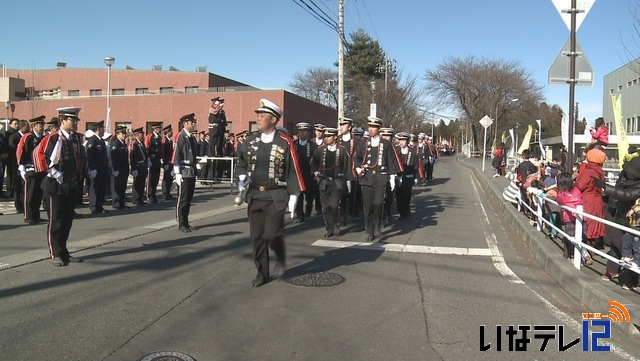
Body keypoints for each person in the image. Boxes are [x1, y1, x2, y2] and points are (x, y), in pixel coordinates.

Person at [236, 98, 305, 287]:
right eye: (257, 115)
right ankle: (262, 273)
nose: (258, 118)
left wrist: (294, 195)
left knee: (272, 235)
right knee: (257, 237)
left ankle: (280, 256)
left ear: (274, 119)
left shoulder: (285, 142)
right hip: (255, 195)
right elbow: (241, 163)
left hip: (276, 195)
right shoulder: (250, 141)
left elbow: (293, 169)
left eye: (262, 115)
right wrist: (241, 178)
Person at [39, 107, 84, 266]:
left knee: (67, 220)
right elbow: (41, 156)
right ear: (63, 120)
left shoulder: (73, 138)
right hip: (55, 185)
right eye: (73, 120)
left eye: (76, 120)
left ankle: (63, 250)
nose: (75, 123)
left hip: (69, 184)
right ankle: (55, 253)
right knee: (56, 220)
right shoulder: (54, 137)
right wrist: (53, 172)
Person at [354, 116, 403, 242]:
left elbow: (391, 161)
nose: (371, 129)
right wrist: (358, 168)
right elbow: (356, 158)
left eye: (374, 127)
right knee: (368, 205)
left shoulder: (386, 144)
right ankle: (370, 230)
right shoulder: (363, 143)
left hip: (381, 178)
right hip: (366, 177)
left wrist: (392, 176)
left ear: (379, 129)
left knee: (378, 204)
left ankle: (377, 225)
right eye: (370, 127)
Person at [312, 127, 351, 237]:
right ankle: (328, 228)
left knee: (334, 206)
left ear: (335, 137)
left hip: (336, 182)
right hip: (323, 181)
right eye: (326, 136)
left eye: (329, 136)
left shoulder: (342, 150)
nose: (326, 138)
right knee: (325, 207)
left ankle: (335, 224)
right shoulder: (320, 150)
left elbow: (347, 166)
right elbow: (313, 162)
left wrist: (348, 180)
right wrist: (315, 172)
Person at [575, 148, 607, 264]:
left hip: (588, 200)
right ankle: (592, 249)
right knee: (595, 225)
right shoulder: (600, 171)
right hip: (598, 200)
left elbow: (580, 185)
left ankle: (585, 251)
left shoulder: (589, 171)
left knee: (586, 224)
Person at [16, 116, 45, 224]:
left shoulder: (42, 138)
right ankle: (28, 216)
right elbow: (20, 151)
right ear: (34, 126)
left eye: (42, 125)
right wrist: (21, 167)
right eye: (40, 125)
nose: (42, 127)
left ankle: (36, 215)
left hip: (40, 169)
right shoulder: (28, 137)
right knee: (30, 194)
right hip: (30, 169)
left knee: (38, 194)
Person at [173, 113, 198, 233]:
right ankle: (181, 223)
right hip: (183, 171)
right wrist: (177, 173)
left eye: (193, 122)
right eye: (191, 122)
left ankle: (186, 222)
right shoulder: (181, 136)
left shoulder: (191, 137)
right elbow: (176, 155)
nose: (193, 124)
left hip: (191, 171)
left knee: (189, 199)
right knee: (182, 199)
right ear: (185, 123)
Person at [293, 122, 317, 223]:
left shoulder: (313, 146)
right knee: (298, 196)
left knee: (309, 195)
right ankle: (299, 214)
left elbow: (316, 159)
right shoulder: (294, 145)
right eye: (300, 131)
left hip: (309, 174)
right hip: (298, 174)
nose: (302, 133)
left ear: (308, 132)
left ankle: (308, 209)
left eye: (304, 131)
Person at [556, 172, 583, 260]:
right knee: (580, 237)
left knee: (570, 237)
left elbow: (559, 200)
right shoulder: (577, 190)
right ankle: (583, 254)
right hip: (581, 217)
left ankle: (573, 257)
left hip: (570, 218)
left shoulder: (562, 193)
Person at [338, 117, 358, 225]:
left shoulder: (356, 140)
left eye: (344, 125)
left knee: (351, 193)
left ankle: (351, 212)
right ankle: (342, 216)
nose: (341, 127)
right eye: (340, 125)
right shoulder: (337, 139)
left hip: (352, 170)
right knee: (341, 194)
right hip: (340, 171)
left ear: (349, 127)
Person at [86, 120, 110, 214]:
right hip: (95, 169)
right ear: (98, 129)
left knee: (101, 189)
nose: (103, 130)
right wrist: (92, 168)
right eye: (102, 128)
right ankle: (93, 206)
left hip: (102, 169)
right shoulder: (92, 140)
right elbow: (89, 156)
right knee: (95, 188)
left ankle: (99, 206)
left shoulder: (101, 141)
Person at [395, 132, 418, 219]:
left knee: (406, 194)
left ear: (407, 141)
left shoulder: (412, 151)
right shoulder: (396, 151)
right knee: (398, 195)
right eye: (400, 140)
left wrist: (415, 177)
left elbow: (415, 165)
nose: (402, 142)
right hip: (398, 176)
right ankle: (401, 212)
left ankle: (406, 208)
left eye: (404, 140)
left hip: (408, 176)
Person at [9, 119, 29, 213]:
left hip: (25, 164)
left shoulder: (27, 137)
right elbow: (13, 152)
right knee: (17, 185)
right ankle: (18, 205)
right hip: (16, 164)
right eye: (27, 127)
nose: (28, 128)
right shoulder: (14, 137)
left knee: (24, 185)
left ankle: (23, 203)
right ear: (22, 128)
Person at [109, 126, 129, 210]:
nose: (124, 135)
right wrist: (115, 169)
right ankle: (116, 203)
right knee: (116, 187)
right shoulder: (115, 143)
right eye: (122, 133)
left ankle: (121, 202)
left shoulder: (123, 144)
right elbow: (113, 158)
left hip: (124, 169)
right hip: (118, 168)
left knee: (122, 186)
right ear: (118, 134)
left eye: (125, 133)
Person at [129, 127, 149, 206]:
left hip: (143, 166)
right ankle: (136, 199)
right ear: (137, 135)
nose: (143, 135)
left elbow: (144, 154)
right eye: (142, 134)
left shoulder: (142, 143)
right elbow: (132, 157)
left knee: (142, 183)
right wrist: (133, 168)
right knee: (137, 183)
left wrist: (147, 162)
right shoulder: (134, 144)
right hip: (137, 166)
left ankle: (140, 198)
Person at [145, 122, 164, 203]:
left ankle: (154, 194)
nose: (160, 130)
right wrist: (148, 159)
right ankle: (149, 195)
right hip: (152, 160)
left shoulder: (159, 138)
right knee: (151, 179)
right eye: (159, 128)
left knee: (156, 178)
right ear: (155, 129)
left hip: (157, 160)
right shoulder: (150, 137)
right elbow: (147, 148)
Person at [161, 124, 175, 201]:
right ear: (167, 132)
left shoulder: (170, 141)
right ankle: (165, 193)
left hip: (170, 162)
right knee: (166, 178)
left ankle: (168, 193)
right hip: (167, 162)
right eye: (170, 131)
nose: (172, 132)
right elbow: (163, 152)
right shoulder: (164, 141)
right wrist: (164, 162)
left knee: (170, 178)